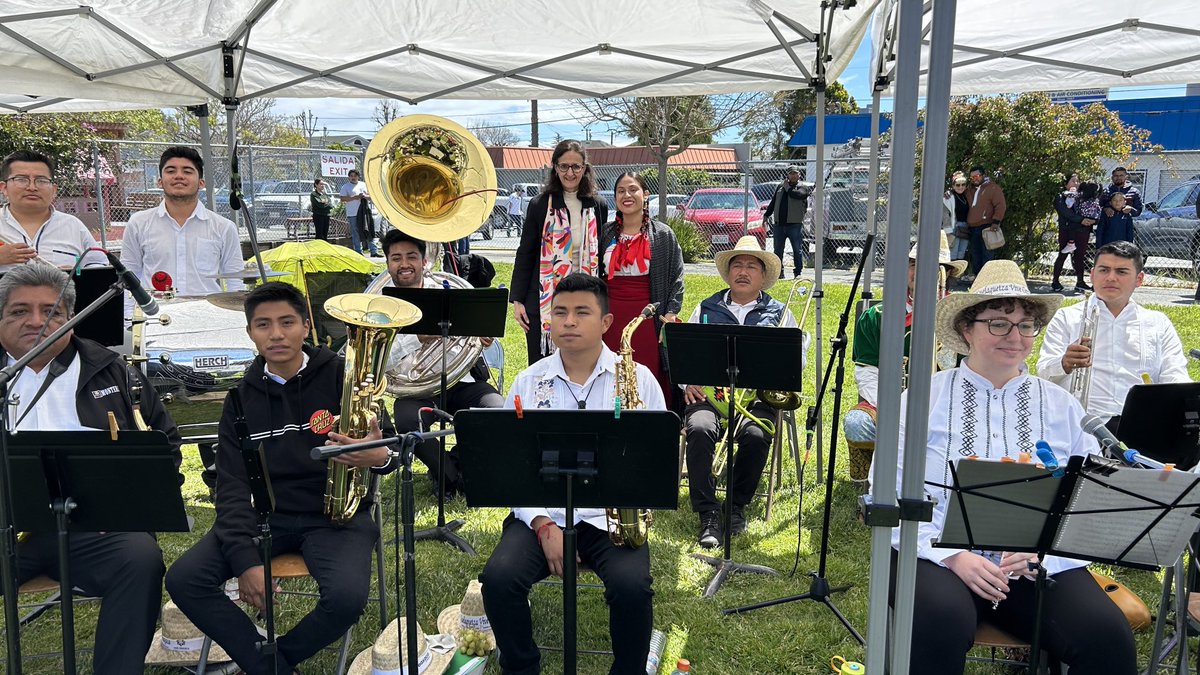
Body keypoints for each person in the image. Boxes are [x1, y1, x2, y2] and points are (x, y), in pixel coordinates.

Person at [876, 259, 1136, 673]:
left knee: (1107, 636)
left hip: (1034, 560)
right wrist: (954, 557)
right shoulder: (922, 399)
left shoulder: (1059, 403)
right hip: (935, 556)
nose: (1015, 336)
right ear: (967, 329)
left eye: (1025, 325)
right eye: (998, 323)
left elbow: (1084, 495)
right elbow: (884, 490)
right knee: (937, 623)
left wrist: (1040, 548)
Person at [166, 282, 399, 675]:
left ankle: (272, 662)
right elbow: (233, 485)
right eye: (263, 325)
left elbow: (389, 450)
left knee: (345, 599)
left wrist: (380, 456)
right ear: (250, 333)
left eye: (287, 322)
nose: (276, 334)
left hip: (334, 520)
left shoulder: (345, 377)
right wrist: (244, 561)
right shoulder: (240, 398)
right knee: (185, 579)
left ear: (306, 327)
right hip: (265, 518)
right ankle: (267, 662)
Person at [0, 264, 181, 674]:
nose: (35, 321)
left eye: (51, 312)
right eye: (18, 311)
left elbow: (163, 444)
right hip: (4, 531)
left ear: (72, 318)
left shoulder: (113, 371)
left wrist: (124, 509)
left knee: (139, 559)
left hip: (93, 532)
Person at [480, 273, 662, 675]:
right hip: (543, 514)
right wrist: (544, 525)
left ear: (607, 323)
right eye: (560, 312)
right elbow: (514, 465)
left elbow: (655, 460)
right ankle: (522, 667)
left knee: (633, 588)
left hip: (613, 517)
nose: (568, 321)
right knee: (498, 579)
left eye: (582, 312)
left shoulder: (641, 380)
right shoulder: (528, 381)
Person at [681, 236, 798, 548]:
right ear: (728, 272)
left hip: (756, 399)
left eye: (751, 266)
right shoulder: (705, 308)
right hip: (710, 395)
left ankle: (734, 505)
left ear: (762, 276)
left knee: (757, 436)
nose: (743, 271)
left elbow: (793, 361)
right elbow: (685, 355)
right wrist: (688, 383)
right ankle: (708, 513)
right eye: (737, 265)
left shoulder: (781, 314)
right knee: (700, 428)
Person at [383, 228, 503, 499]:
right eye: (396, 257)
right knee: (407, 421)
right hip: (415, 390)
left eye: (411, 256)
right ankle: (450, 476)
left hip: (462, 381)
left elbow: (475, 337)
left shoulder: (447, 291)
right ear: (387, 262)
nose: (404, 264)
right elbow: (379, 359)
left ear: (423, 260)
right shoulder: (380, 306)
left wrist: (483, 337)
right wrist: (417, 338)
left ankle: (458, 463)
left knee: (498, 413)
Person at [842, 233, 966, 488]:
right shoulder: (878, 316)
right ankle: (870, 483)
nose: (921, 272)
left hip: (945, 407)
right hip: (891, 403)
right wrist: (897, 410)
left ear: (947, 274)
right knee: (857, 423)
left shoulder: (963, 320)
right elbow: (866, 372)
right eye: (914, 265)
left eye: (933, 267)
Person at [1037, 240, 1189, 428]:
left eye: (1121, 272)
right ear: (1092, 275)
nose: (1110, 278)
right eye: (1103, 270)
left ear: (1139, 279)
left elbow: (1175, 376)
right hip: (1082, 423)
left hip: (1142, 424)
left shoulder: (1157, 322)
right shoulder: (1067, 317)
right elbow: (1043, 372)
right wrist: (1064, 363)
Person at [509, 140, 608, 366]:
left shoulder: (597, 205)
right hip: (544, 297)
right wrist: (518, 300)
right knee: (542, 366)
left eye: (576, 166)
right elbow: (526, 253)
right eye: (564, 166)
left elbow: (600, 254)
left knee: (582, 363)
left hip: (585, 296)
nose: (570, 173)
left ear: (585, 168)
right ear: (555, 167)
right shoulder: (540, 204)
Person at [596, 171, 685, 407]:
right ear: (615, 197)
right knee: (610, 373)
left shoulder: (663, 235)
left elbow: (677, 278)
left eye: (633, 189)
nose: (627, 195)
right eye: (621, 191)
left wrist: (670, 313)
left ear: (645, 195)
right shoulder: (604, 234)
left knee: (647, 373)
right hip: (610, 317)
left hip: (647, 317)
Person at [120, 146, 245, 298]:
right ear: (160, 181)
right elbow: (128, 278)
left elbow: (236, 281)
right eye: (171, 171)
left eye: (187, 171)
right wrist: (127, 320)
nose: (179, 176)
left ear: (201, 182)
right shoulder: (138, 223)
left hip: (207, 316)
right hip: (155, 318)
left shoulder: (224, 227)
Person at [0, 150, 104, 273]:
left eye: (41, 180)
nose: (32, 187)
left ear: (54, 190)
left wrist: (77, 273)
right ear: (4, 188)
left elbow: (99, 265)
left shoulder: (73, 226)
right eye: (21, 179)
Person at [1050, 172, 1096, 292]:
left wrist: (1091, 220)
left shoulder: (1082, 196)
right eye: (1072, 181)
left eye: (1077, 181)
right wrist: (1081, 220)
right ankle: (1055, 281)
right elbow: (1065, 212)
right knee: (1063, 255)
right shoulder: (1060, 196)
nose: (1075, 183)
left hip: (1082, 230)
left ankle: (1080, 282)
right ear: (1065, 184)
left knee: (1080, 256)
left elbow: (1091, 209)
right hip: (1067, 229)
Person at [763, 165, 811, 278]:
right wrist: (766, 214)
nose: (793, 175)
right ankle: (779, 273)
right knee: (778, 250)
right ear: (788, 175)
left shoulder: (802, 187)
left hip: (794, 225)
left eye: (795, 173)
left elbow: (798, 195)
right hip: (779, 225)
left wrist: (787, 187)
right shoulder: (781, 186)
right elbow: (774, 201)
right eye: (791, 173)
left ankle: (797, 273)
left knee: (797, 250)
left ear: (799, 175)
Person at [965, 165, 1006, 274]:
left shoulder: (993, 188)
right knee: (975, 255)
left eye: (977, 176)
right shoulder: (969, 190)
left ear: (983, 175)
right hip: (973, 228)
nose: (975, 179)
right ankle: (978, 282)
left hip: (988, 227)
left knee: (987, 256)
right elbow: (958, 195)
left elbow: (1000, 205)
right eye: (972, 177)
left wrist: (996, 222)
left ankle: (987, 281)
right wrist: (948, 193)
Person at [338, 169, 379, 257]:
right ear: (349, 177)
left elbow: (371, 196)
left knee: (369, 230)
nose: (353, 178)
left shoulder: (363, 184)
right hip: (353, 213)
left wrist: (365, 196)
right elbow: (342, 198)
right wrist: (355, 197)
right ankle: (358, 252)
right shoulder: (345, 187)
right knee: (355, 232)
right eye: (351, 176)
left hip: (364, 212)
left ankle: (373, 251)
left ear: (358, 176)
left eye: (355, 176)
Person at [942, 170, 970, 261]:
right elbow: (945, 214)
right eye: (958, 185)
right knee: (952, 253)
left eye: (963, 184)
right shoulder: (948, 197)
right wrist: (948, 231)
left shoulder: (967, 195)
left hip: (965, 228)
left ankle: (958, 274)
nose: (960, 187)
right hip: (953, 228)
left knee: (961, 253)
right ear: (953, 185)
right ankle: (950, 274)